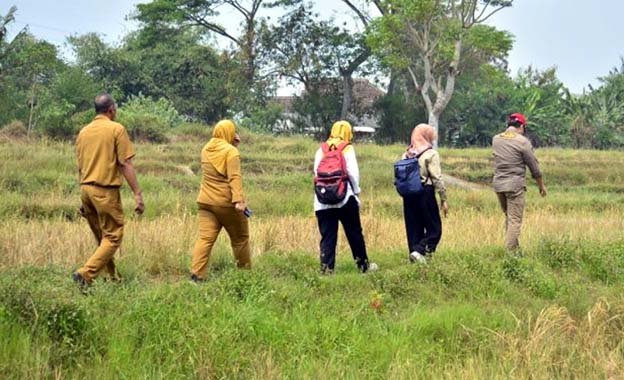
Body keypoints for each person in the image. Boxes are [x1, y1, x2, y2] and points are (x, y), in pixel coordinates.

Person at [73, 93, 144, 287]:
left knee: (103, 240)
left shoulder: (84, 132)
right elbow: (125, 163)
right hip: (105, 191)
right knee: (113, 237)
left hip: (86, 189)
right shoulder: (116, 129)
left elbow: (81, 167)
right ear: (112, 109)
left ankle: (114, 279)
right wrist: (137, 193)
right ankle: (85, 275)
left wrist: (83, 197)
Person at [190, 120, 250, 282]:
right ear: (229, 133)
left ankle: (196, 276)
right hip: (226, 204)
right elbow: (234, 177)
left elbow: (219, 165)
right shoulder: (231, 152)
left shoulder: (206, 149)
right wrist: (239, 201)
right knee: (240, 239)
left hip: (206, 203)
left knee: (205, 239)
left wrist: (233, 145)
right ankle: (246, 276)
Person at [314, 120, 377, 274]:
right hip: (345, 198)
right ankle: (363, 266)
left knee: (328, 236)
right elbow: (353, 175)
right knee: (354, 233)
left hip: (322, 201)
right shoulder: (347, 149)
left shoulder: (321, 150)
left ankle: (327, 270)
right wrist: (356, 193)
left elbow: (316, 174)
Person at [492, 113, 547, 251]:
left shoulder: (496, 139)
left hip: (499, 184)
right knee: (515, 220)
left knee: (509, 218)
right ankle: (510, 255)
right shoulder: (522, 142)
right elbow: (534, 167)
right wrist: (541, 186)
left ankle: (515, 251)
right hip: (514, 185)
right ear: (522, 126)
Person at [401, 124, 449, 263]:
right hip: (425, 192)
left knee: (413, 227)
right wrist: (443, 199)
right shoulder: (430, 154)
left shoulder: (406, 154)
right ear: (426, 135)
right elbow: (437, 178)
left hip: (408, 195)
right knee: (435, 229)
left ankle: (414, 255)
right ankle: (420, 251)